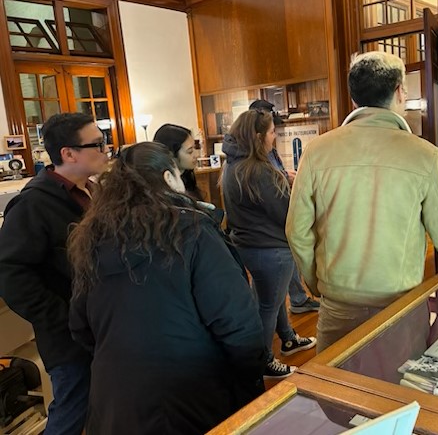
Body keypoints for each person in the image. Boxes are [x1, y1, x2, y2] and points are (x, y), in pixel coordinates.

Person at [286, 51, 438, 353]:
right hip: (400, 306)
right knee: (397, 393)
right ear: (399, 92)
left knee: (337, 393)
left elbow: (297, 231)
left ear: (354, 97)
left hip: (338, 305)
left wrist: (318, 283)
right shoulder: (425, 155)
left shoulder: (317, 151)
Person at [67, 142, 266, 434]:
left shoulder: (93, 238)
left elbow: (80, 326)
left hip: (114, 398)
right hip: (190, 394)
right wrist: (250, 384)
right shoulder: (194, 232)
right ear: (168, 178)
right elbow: (238, 324)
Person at [0, 112, 109, 434]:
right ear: (68, 153)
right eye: (98, 145)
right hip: (69, 338)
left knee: (102, 404)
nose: (106, 151)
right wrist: (64, 317)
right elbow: (10, 272)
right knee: (73, 409)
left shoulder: (93, 192)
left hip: (104, 328)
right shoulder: (33, 205)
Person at [221, 109, 317, 379]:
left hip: (251, 246)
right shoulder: (258, 170)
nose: (275, 137)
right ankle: (264, 362)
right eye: (273, 132)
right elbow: (285, 214)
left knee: (271, 301)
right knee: (268, 306)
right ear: (258, 135)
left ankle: (287, 338)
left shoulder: (233, 164)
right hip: (270, 248)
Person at [250, 99, 320, 314]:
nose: (276, 133)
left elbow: (276, 172)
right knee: (269, 294)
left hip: (274, 218)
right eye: (272, 130)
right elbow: (268, 181)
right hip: (269, 224)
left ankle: (297, 300)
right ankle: (298, 300)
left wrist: (286, 176)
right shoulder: (254, 157)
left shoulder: (265, 150)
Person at [153, 123, 202, 200]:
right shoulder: (162, 192)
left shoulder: (187, 177)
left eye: (195, 148)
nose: (197, 155)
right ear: (171, 154)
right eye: (190, 151)